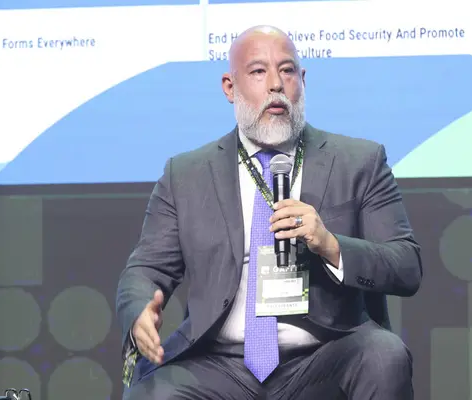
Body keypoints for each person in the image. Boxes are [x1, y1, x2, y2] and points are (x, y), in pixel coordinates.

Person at [116, 25, 423, 400]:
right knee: (152, 395)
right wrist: (139, 310)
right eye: (258, 72)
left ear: (303, 80)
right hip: (218, 362)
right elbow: (146, 268)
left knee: (384, 356)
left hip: (325, 353)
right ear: (230, 87)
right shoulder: (185, 174)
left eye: (288, 70)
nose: (276, 84)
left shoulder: (358, 161)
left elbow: (406, 265)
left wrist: (330, 245)